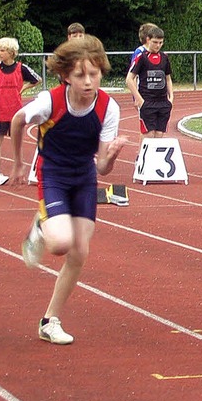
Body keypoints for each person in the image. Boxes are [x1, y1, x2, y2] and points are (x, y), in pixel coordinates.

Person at [10, 35, 126, 345]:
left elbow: (101, 168)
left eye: (94, 74)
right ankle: (41, 224)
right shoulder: (51, 101)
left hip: (85, 176)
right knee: (60, 243)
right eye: (80, 75)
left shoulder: (108, 107)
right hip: (53, 174)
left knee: (79, 252)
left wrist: (111, 157)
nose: (89, 82)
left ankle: (50, 321)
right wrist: (19, 163)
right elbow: (18, 120)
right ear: (66, 76)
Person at [0, 37, 42, 185]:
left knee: (16, 143)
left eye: (2, 50)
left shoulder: (21, 68)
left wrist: (24, 88)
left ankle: (18, 169)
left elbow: (37, 79)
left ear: (11, 52)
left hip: (16, 110)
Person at [126, 25, 173, 152]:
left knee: (159, 135)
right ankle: (141, 160)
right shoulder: (140, 54)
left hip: (162, 101)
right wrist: (138, 99)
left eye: (161, 42)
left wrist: (171, 97)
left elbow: (168, 78)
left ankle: (155, 163)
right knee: (148, 134)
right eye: (155, 42)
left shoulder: (164, 57)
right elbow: (131, 78)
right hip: (146, 99)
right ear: (148, 39)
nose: (158, 45)